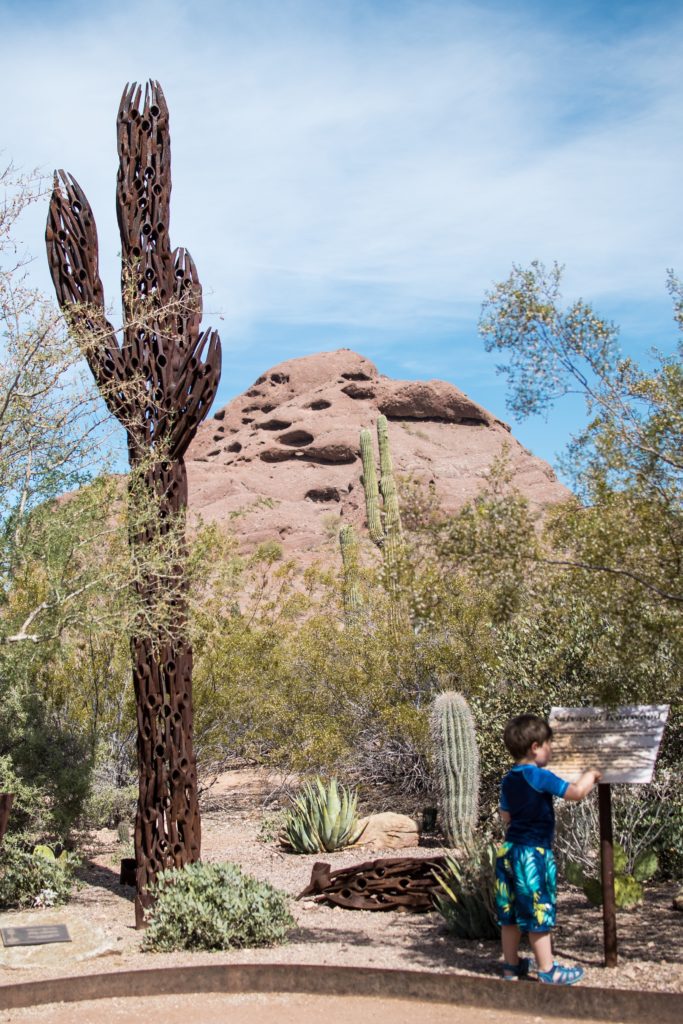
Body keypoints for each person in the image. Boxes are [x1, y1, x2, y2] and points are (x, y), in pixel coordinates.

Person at [495, 713, 601, 985]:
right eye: (548, 744)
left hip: (508, 851)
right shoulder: (538, 776)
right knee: (539, 909)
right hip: (533, 853)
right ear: (535, 747)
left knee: (510, 913)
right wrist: (592, 775)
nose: (551, 749)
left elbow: (505, 816)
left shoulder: (509, 779)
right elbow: (576, 793)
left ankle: (511, 965)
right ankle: (547, 969)